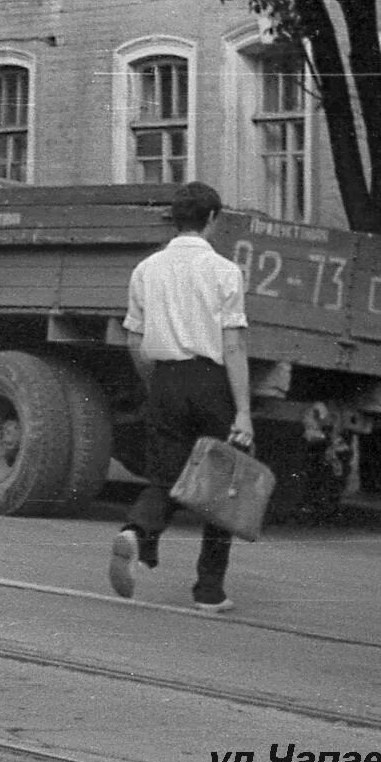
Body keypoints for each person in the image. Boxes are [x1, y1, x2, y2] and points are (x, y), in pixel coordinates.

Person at [108, 182, 253, 615]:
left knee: (166, 475)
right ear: (212, 219)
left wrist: (158, 382)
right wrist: (243, 410)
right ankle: (209, 589)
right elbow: (233, 347)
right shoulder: (226, 271)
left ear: (175, 219)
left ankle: (137, 533)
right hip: (212, 382)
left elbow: (134, 339)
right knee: (219, 485)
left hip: (166, 379)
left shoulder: (146, 270)